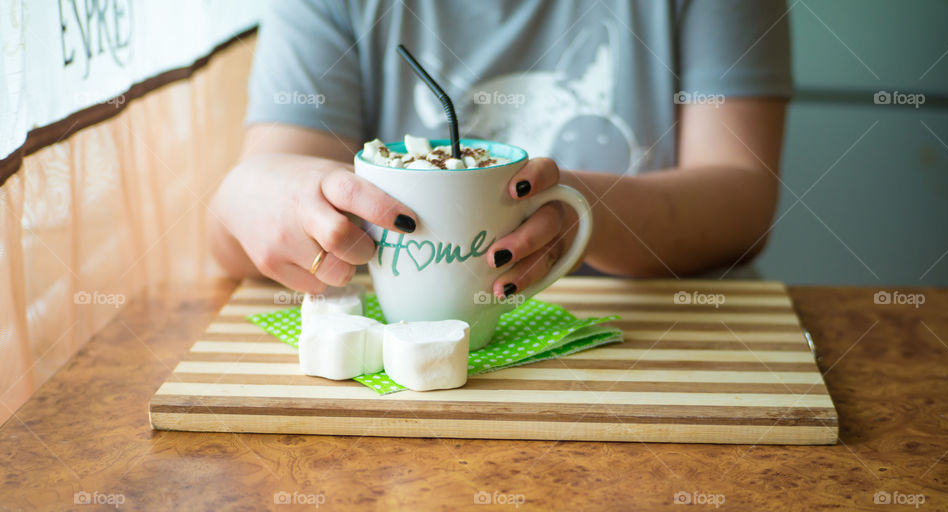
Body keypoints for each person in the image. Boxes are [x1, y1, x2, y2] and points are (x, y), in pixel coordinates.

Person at [210, 0, 792, 297]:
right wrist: (261, 195)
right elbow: (243, 222)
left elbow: (741, 199)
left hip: (664, 350)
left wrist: (574, 208)